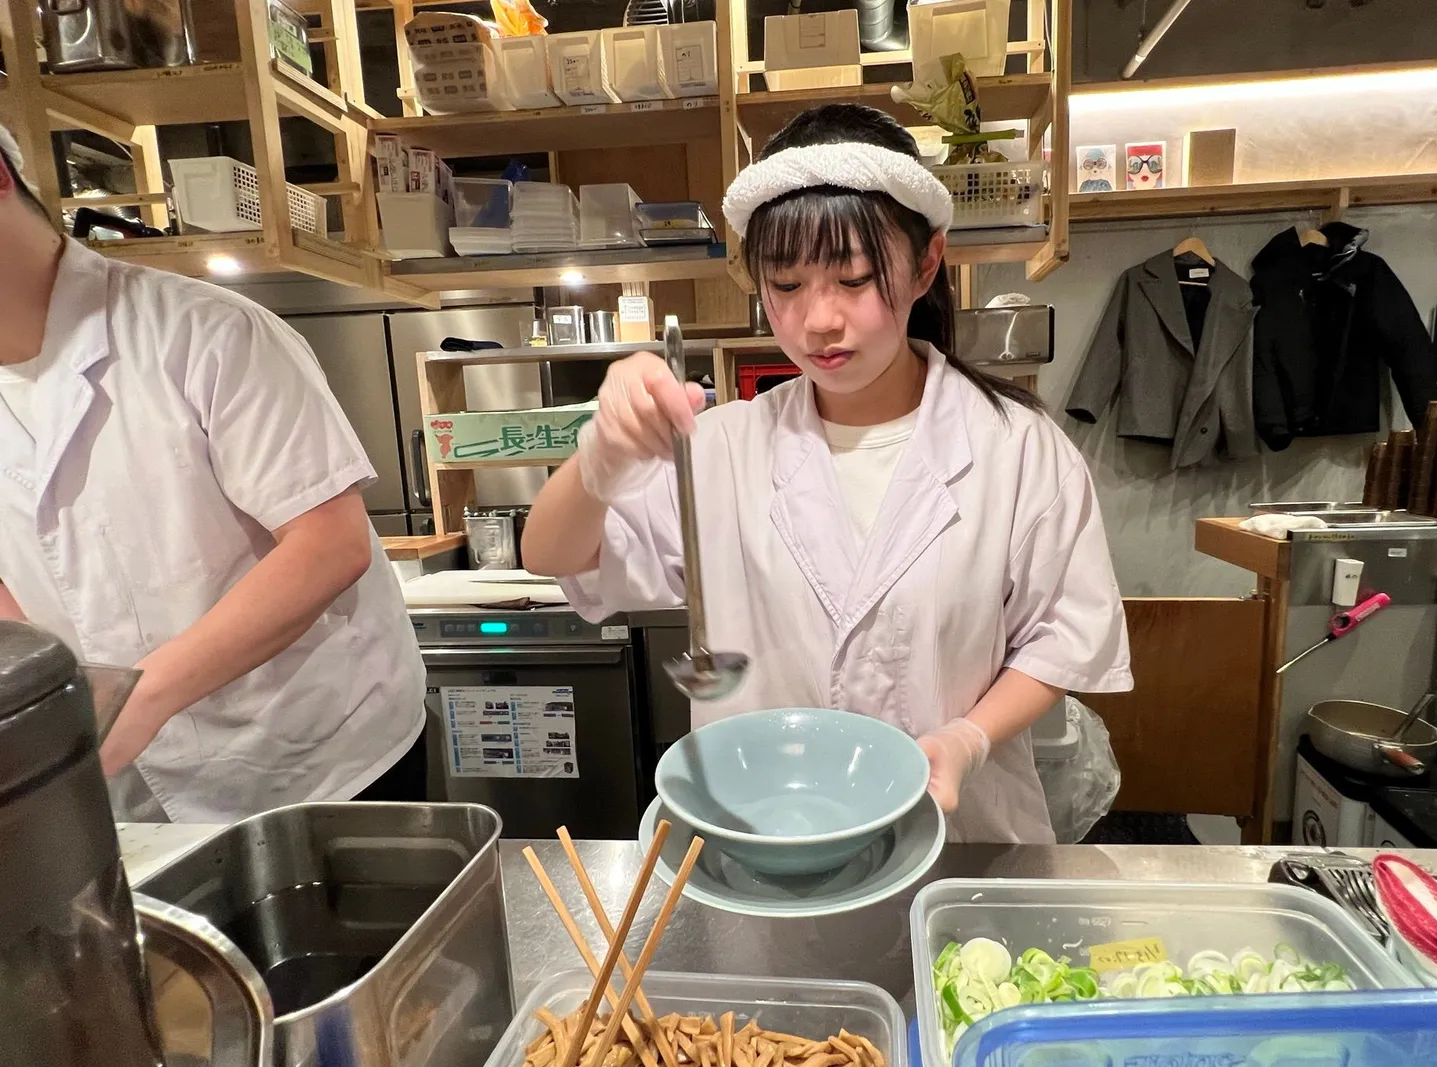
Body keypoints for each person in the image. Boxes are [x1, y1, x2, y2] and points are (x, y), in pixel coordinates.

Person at [521, 104, 1133, 844]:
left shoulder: (1017, 446)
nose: (818, 321)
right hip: (766, 850)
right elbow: (553, 554)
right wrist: (602, 455)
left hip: (958, 843)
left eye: (853, 278)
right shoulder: (723, 447)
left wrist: (968, 738)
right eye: (785, 284)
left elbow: (1063, 635)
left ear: (926, 264)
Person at [0, 124, 426, 822]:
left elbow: (330, 544)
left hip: (316, 759)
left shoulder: (206, 332)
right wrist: (34, 701)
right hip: (120, 782)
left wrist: (142, 696)